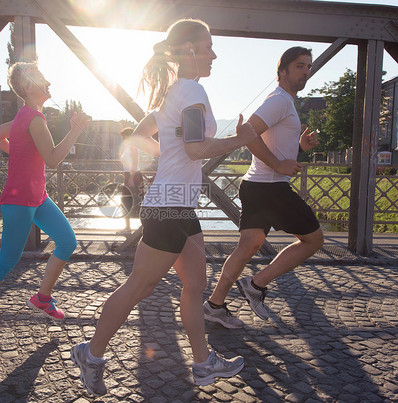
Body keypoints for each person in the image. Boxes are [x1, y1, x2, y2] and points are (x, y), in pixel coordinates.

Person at [70, 19, 300, 396]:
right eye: (208, 46)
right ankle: (91, 354)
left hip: (177, 207)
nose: (214, 54)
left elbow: (142, 136)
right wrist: (239, 139)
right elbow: (195, 149)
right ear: (190, 50)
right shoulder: (191, 91)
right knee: (139, 286)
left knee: (195, 285)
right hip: (169, 209)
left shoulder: (171, 91)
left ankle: (203, 362)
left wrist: (168, 154)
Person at [0, 62, 90, 333]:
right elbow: (53, 159)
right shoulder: (34, 118)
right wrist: (76, 129)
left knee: (67, 241)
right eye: (43, 78)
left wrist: (18, 154)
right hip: (19, 201)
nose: (49, 82)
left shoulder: (24, 116)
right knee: (8, 260)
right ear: (29, 86)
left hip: (38, 197)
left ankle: (42, 298)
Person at [203, 46, 323, 329]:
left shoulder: (285, 102)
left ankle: (214, 305)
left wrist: (299, 147)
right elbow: (246, 133)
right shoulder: (279, 100)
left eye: (308, 66)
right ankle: (256, 285)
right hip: (270, 187)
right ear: (282, 71)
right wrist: (278, 165)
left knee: (247, 248)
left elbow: (272, 142)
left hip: (256, 185)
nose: (305, 71)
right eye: (299, 66)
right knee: (314, 240)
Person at [119, 127, 143, 226]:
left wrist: (131, 178)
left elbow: (135, 163)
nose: (123, 139)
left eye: (124, 137)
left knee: (132, 200)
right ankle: (128, 227)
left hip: (133, 176)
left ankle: (140, 227)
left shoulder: (133, 147)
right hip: (129, 175)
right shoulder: (129, 147)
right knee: (127, 200)